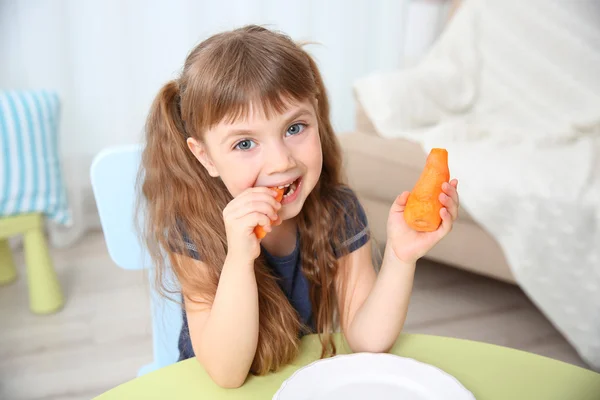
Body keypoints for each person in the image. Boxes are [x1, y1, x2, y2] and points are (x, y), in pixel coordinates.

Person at [139, 24, 460, 388]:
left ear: (317, 116)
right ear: (205, 156)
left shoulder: (337, 212)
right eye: (244, 144)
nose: (280, 162)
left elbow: (369, 340)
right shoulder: (194, 228)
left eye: (295, 128)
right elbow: (227, 375)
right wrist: (239, 258)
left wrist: (401, 258)